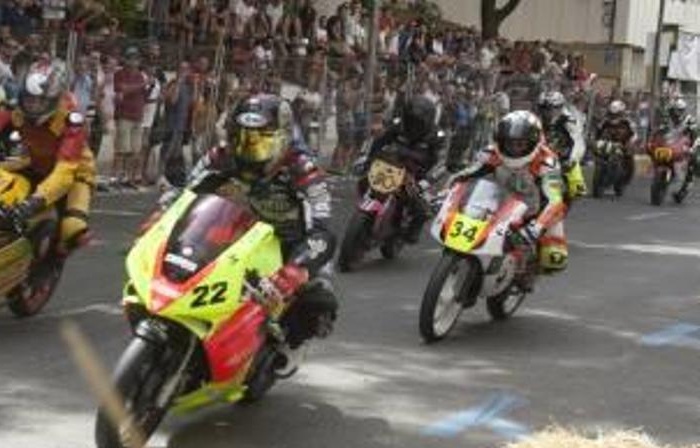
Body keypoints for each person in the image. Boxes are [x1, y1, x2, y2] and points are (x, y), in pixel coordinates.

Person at [181, 95, 337, 354]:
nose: (249, 147)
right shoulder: (221, 155)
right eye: (242, 137)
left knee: (319, 299)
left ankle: (280, 350)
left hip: (292, 244)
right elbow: (186, 195)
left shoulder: (302, 168)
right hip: (241, 234)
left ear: (283, 138)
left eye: (261, 139)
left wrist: (295, 270)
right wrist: (162, 215)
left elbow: (323, 232)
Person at [0, 61, 95, 255]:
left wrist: (34, 202)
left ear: (55, 100)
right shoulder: (15, 109)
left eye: (41, 101)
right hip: (34, 163)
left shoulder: (72, 121)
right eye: (30, 99)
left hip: (74, 174)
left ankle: (52, 264)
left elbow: (64, 172)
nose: (34, 106)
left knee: (72, 227)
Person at [452, 111, 568, 280]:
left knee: (554, 257)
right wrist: (446, 193)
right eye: (509, 143)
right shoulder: (492, 152)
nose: (514, 149)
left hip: (533, 207)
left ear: (532, 142)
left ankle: (527, 272)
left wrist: (535, 228)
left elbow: (555, 201)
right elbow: (467, 174)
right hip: (498, 200)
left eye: (520, 144)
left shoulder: (547, 161)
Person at [358, 94, 448, 242]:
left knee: (423, 208)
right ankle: (370, 208)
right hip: (391, 165)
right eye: (410, 120)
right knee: (363, 178)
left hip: (417, 175)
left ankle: (411, 231)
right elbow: (378, 141)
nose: (413, 125)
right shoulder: (398, 124)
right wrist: (367, 159)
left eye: (417, 122)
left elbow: (441, 163)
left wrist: (426, 181)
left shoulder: (437, 135)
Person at [536, 90, 587, 202]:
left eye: (552, 108)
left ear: (560, 107)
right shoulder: (536, 119)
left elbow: (577, 140)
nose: (548, 112)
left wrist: (573, 157)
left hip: (564, 151)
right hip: (542, 151)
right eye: (544, 108)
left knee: (571, 164)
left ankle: (577, 183)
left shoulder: (569, 119)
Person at [113, 47, 149, 187]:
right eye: (131, 58)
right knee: (122, 149)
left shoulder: (140, 76)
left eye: (136, 58)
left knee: (135, 151)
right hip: (125, 115)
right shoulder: (120, 74)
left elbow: (143, 95)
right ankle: (116, 177)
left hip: (138, 116)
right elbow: (123, 89)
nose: (134, 61)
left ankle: (128, 178)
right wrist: (142, 85)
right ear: (126, 59)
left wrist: (147, 87)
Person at [592, 99, 635, 197]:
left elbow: (634, 134)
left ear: (621, 113)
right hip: (606, 144)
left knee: (629, 157)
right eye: (612, 114)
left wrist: (630, 142)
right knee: (598, 157)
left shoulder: (627, 122)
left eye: (617, 114)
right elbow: (597, 132)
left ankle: (625, 179)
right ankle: (599, 182)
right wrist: (594, 141)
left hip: (622, 144)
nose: (614, 116)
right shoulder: (604, 121)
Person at [662, 98, 700, 200]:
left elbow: (696, 134)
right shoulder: (669, 117)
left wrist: (693, 147)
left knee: (693, 160)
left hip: (685, 145)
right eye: (676, 110)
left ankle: (687, 184)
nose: (678, 112)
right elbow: (663, 127)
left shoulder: (690, 120)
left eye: (680, 110)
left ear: (684, 110)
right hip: (671, 142)